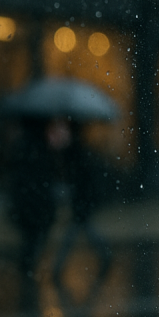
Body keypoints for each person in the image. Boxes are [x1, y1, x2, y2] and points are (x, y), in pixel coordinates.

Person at [52, 119, 112, 297]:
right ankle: (105, 255)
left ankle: (58, 267)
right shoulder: (79, 151)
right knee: (85, 230)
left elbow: (78, 179)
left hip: (82, 200)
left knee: (76, 232)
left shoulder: (74, 152)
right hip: (84, 200)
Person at [6, 117, 60, 282]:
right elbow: (46, 176)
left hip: (26, 201)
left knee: (30, 237)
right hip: (36, 202)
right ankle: (27, 268)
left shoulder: (22, 146)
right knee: (35, 237)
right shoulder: (40, 147)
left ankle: (27, 268)